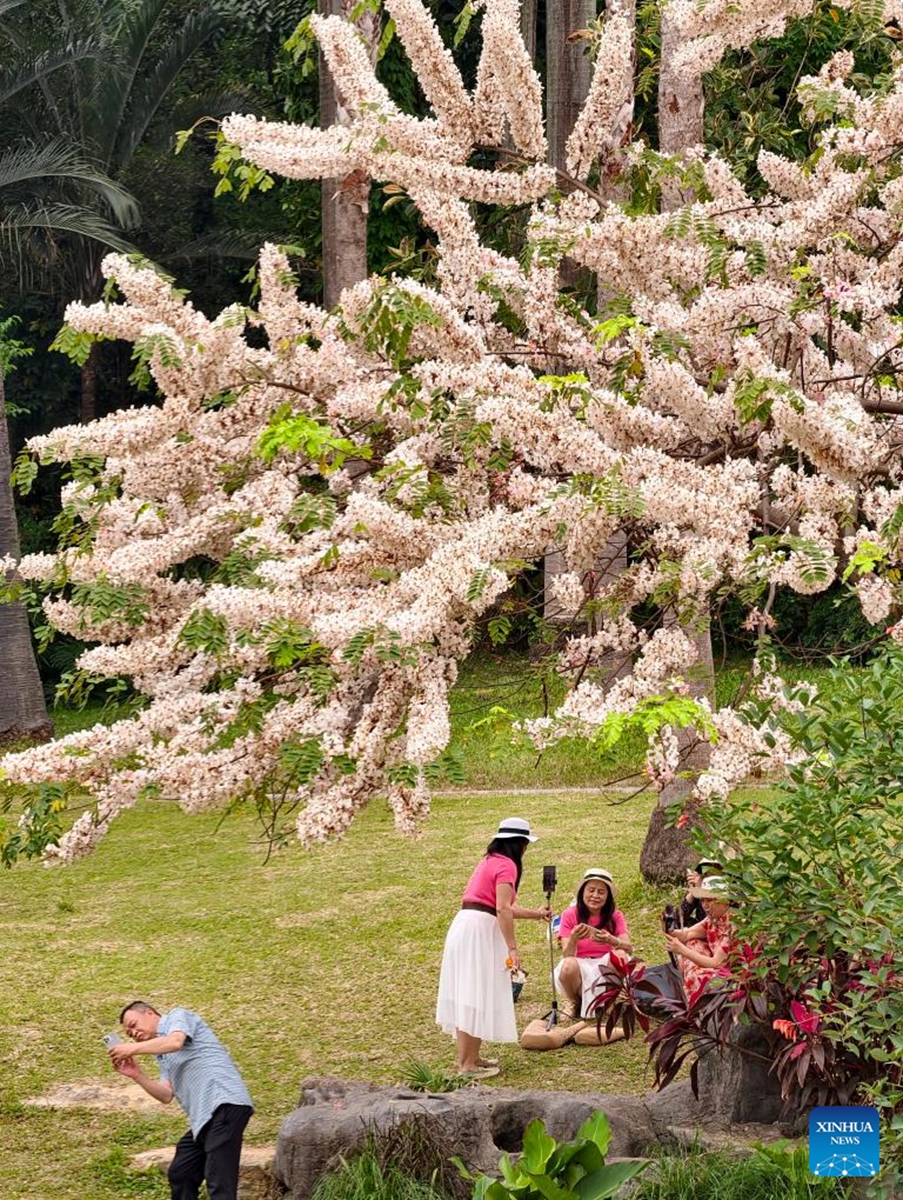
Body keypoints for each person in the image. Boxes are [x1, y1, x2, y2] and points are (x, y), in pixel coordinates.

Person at [436, 817, 551, 1077]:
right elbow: (501, 908)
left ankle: (473, 1058)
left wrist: (535, 914)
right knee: (472, 993)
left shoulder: (490, 861)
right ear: (520, 844)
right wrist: (512, 948)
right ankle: (466, 1064)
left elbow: (499, 907)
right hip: (479, 930)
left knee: (476, 991)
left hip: (471, 924)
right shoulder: (507, 865)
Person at [109, 1000, 254, 1200]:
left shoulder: (177, 1017)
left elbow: (175, 1042)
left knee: (219, 1182)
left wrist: (131, 1049)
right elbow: (166, 1095)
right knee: (181, 1173)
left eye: (133, 1025)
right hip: (203, 1119)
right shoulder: (162, 1055)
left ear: (150, 1013)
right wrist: (137, 1075)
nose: (132, 1033)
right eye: (128, 1033)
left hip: (224, 1103)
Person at [554, 868, 632, 1023]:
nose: (595, 896)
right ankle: (572, 1001)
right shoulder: (570, 914)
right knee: (568, 964)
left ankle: (609, 999)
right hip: (580, 964)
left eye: (601, 892)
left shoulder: (614, 915)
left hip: (605, 963)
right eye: (591, 890)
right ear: (583, 892)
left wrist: (612, 940)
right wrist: (574, 939)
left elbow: (628, 947)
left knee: (620, 956)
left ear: (608, 896)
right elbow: (567, 954)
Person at [665, 875, 734, 1004]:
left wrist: (682, 950)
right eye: (703, 901)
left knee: (696, 975)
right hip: (717, 964)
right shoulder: (713, 919)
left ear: (724, 901)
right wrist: (669, 930)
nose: (705, 905)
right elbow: (688, 934)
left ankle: (698, 1005)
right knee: (692, 943)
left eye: (710, 900)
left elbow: (716, 963)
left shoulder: (733, 925)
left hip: (733, 975)